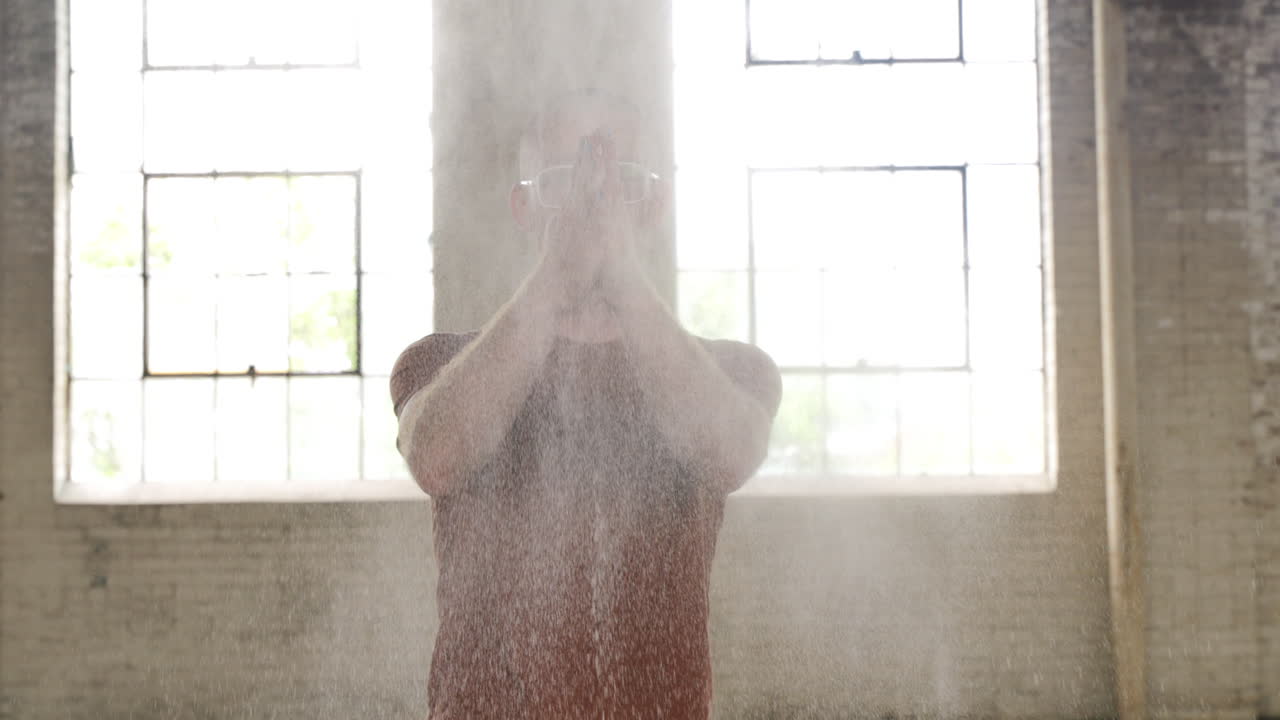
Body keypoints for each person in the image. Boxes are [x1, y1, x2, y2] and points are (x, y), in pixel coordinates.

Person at [389, 90, 782, 720]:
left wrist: (624, 279)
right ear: (524, 207)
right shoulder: (440, 362)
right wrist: (554, 278)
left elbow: (730, 455)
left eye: (618, 183)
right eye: (563, 184)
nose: (592, 206)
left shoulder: (731, 369)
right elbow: (435, 456)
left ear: (653, 204)